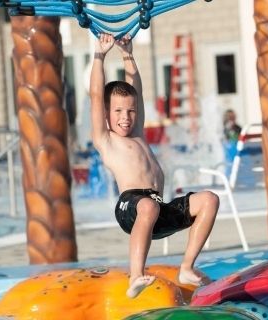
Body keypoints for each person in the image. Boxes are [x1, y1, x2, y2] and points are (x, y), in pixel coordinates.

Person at [90, 33, 219, 298]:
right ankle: (135, 276)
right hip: (131, 207)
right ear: (105, 114)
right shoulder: (106, 140)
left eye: (131, 111)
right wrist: (99, 56)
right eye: (117, 112)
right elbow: (95, 95)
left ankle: (187, 267)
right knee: (147, 206)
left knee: (209, 199)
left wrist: (128, 54)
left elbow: (135, 87)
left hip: (157, 208)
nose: (125, 118)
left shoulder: (137, 133)